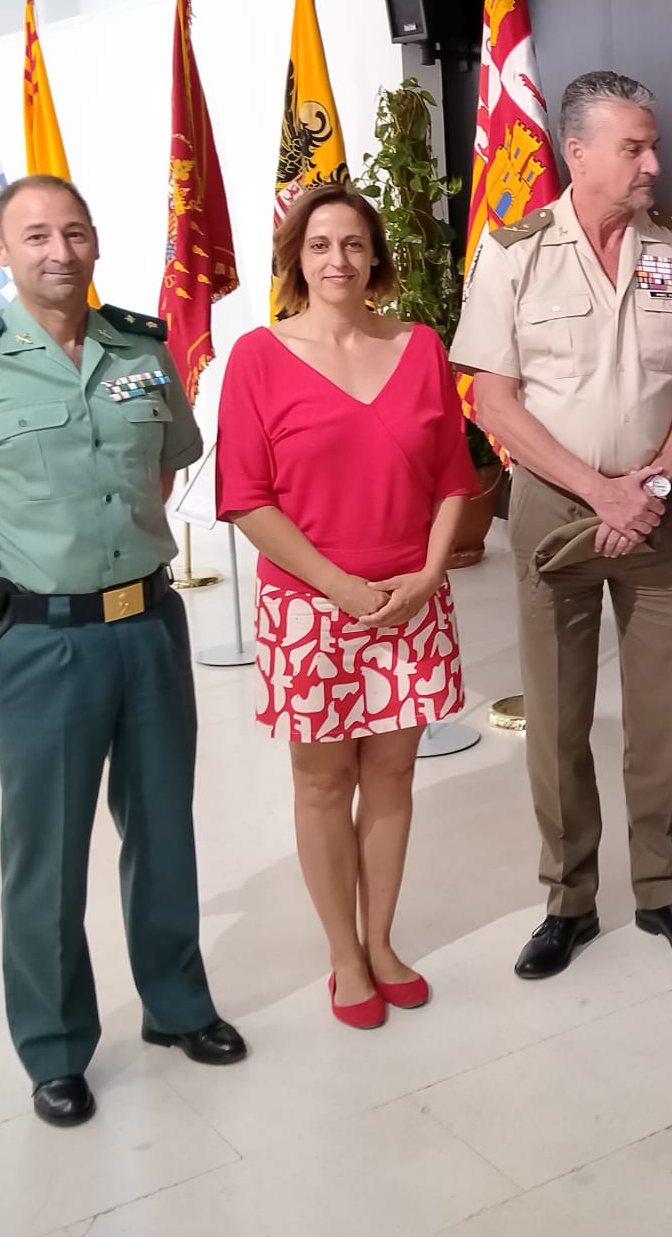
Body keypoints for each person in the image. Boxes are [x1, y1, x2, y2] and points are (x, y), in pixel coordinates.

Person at [0, 174, 245, 1129]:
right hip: (40, 643)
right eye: (36, 235)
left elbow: (170, 456)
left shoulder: (139, 348)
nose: (59, 251)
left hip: (148, 627)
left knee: (163, 828)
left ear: (95, 244)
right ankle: (54, 1048)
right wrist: (12, 578)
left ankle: (177, 1006)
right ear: (1, 251)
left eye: (75, 232)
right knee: (45, 856)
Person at [452, 70, 672, 979]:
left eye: (653, 145)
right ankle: (569, 901)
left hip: (658, 505)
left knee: (658, 716)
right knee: (559, 717)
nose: (655, 162)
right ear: (578, 154)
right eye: (634, 148)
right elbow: (491, 397)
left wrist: (651, 481)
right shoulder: (515, 250)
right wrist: (596, 489)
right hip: (553, 506)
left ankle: (663, 889)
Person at [216, 185, 476, 1029]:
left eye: (355, 244)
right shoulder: (258, 357)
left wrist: (431, 575)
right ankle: (343, 956)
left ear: (376, 257)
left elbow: (451, 478)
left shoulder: (421, 346)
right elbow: (247, 498)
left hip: (410, 599)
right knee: (324, 782)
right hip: (309, 608)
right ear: (296, 256)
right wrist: (338, 587)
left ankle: (384, 939)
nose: (339, 260)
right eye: (322, 244)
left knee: (393, 775)